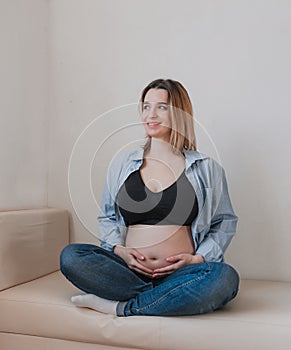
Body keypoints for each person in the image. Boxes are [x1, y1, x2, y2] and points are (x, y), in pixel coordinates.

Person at [60, 78, 239, 317]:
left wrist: (197, 259)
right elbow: (107, 216)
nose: (150, 114)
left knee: (224, 278)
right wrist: (119, 250)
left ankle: (122, 306)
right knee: (71, 256)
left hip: (181, 274)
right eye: (146, 106)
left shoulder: (206, 168)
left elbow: (224, 221)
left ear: (179, 113)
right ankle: (168, 297)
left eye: (161, 107)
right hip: (128, 272)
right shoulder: (122, 164)